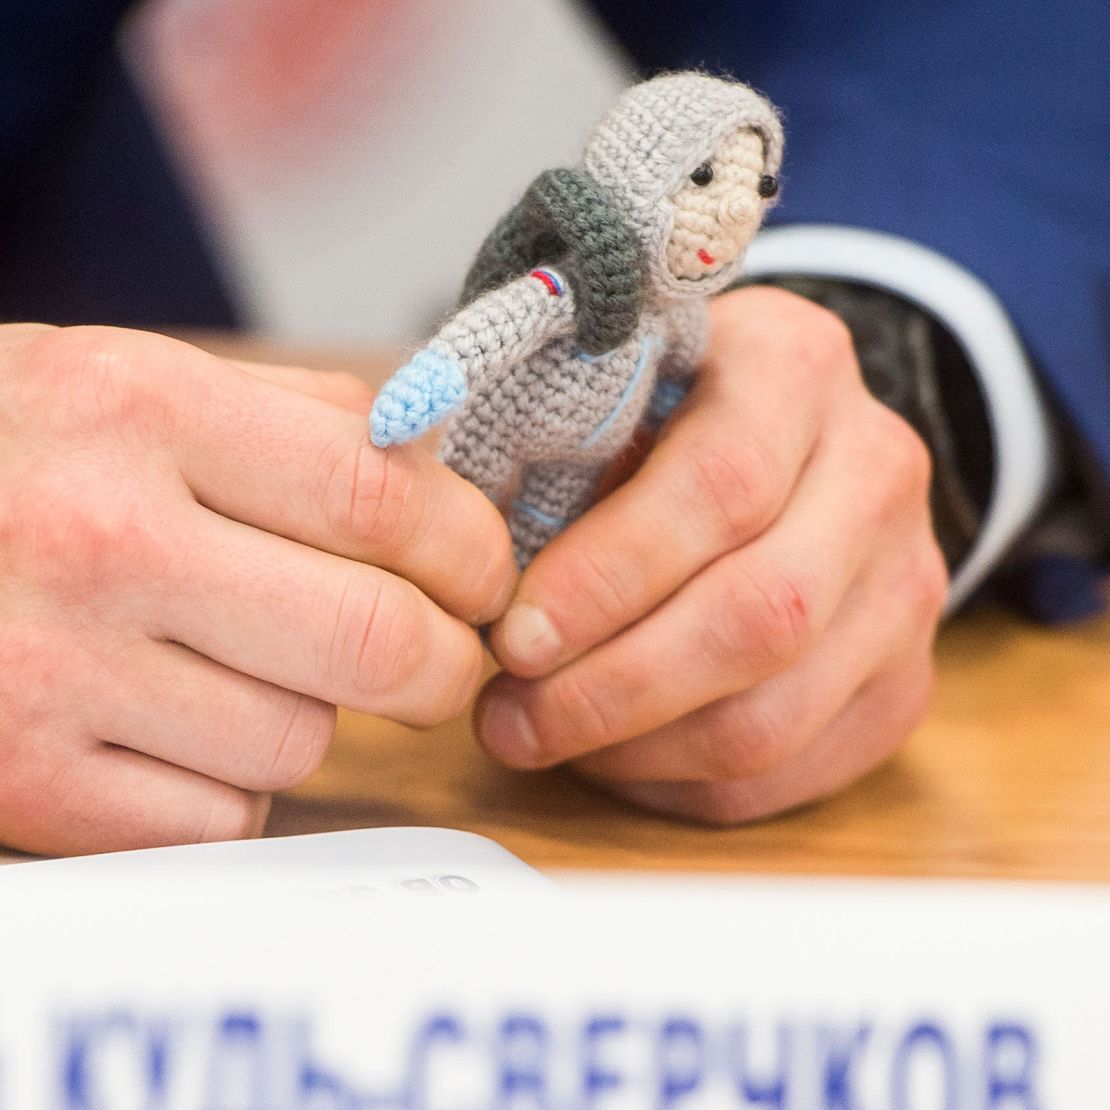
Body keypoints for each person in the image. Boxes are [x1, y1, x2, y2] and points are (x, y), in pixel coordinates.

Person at [11, 0, 1098, 854]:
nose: (733, 210)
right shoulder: (565, 283)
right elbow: (480, 344)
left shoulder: (668, 307)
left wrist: (875, 353)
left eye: (752, 184)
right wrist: (417, 401)